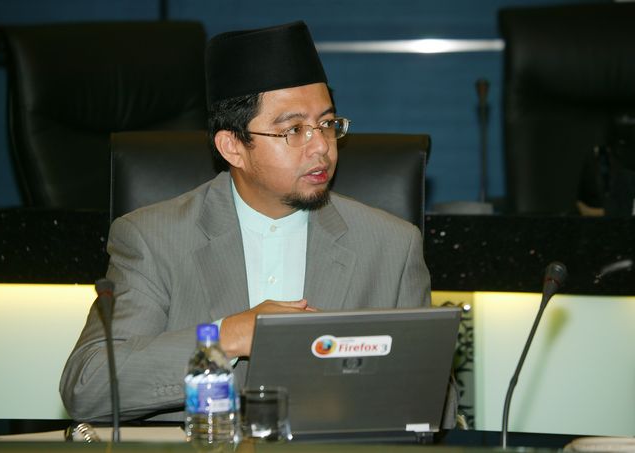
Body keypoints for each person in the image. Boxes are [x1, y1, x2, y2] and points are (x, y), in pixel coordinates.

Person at [60, 20, 455, 426]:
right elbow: (88, 387)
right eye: (294, 130)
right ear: (233, 147)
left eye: (327, 124)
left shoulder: (391, 245)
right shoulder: (154, 239)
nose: (321, 147)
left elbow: (436, 407)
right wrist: (226, 337)